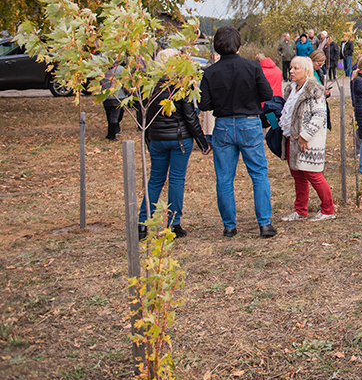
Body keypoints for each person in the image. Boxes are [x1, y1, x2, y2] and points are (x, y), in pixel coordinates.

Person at [199, 25, 277, 238]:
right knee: (259, 173)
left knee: (224, 178)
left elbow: (204, 104)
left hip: (223, 124)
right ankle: (264, 224)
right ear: (239, 45)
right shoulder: (251, 67)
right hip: (249, 123)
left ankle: (229, 226)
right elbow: (268, 93)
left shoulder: (210, 72)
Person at [138, 49, 212, 239]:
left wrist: (148, 138)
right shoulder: (180, 85)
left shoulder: (148, 86)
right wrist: (203, 142)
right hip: (179, 139)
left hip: (157, 139)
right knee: (176, 180)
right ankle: (174, 222)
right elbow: (190, 117)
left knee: (155, 180)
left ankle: (142, 222)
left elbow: (142, 117)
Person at [279, 56, 336, 222]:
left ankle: (328, 209)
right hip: (292, 138)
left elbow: (319, 116)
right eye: (291, 67)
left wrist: (305, 136)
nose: (291, 71)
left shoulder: (313, 90)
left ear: (306, 70)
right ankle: (300, 210)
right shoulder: (292, 89)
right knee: (298, 175)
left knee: (314, 175)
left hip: (307, 141)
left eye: (296, 68)